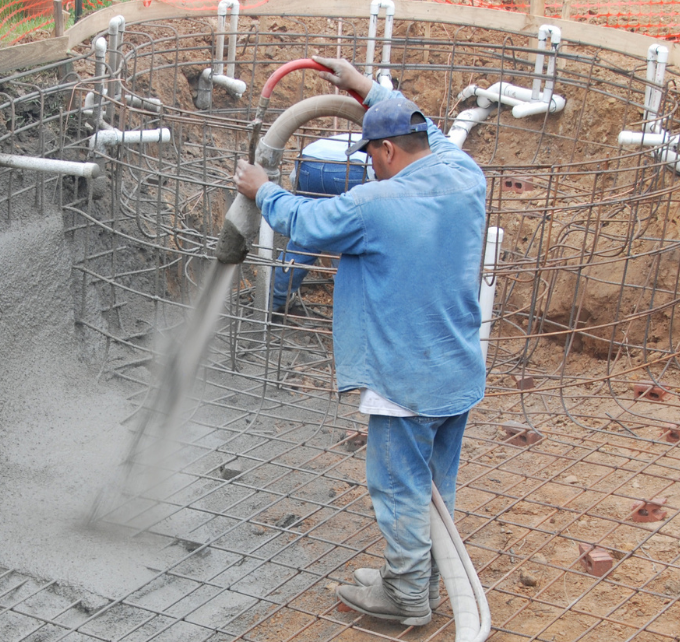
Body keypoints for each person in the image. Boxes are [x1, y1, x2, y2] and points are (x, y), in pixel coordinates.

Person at [232, 55, 487, 626]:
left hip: (403, 378)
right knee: (435, 489)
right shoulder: (465, 173)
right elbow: (431, 130)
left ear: (388, 150)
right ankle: (422, 579)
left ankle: (406, 596)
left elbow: (307, 223)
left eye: (371, 154)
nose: (370, 164)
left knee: (399, 489)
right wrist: (364, 88)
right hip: (456, 369)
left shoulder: (376, 206)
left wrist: (263, 189)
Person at [271, 134, 374, 322]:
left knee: (308, 234)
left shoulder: (366, 136)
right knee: (355, 235)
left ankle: (274, 298)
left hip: (308, 162)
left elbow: (295, 184)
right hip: (355, 169)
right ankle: (352, 306)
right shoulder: (413, 151)